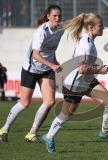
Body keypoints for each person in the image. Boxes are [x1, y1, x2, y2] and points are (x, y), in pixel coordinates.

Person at [42, 13, 108, 153]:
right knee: (66, 115)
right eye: (100, 26)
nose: (103, 27)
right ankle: (49, 137)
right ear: (91, 27)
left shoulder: (89, 41)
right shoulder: (86, 44)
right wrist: (100, 69)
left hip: (87, 81)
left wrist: (102, 68)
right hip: (74, 85)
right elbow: (82, 69)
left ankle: (104, 132)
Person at [0, 5, 63, 143]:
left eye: (59, 16)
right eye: (54, 16)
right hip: (31, 69)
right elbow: (35, 55)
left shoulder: (60, 30)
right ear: (48, 16)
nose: (57, 18)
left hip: (46, 70)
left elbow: (51, 50)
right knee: (25, 103)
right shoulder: (41, 32)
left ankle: (32, 133)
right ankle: (4, 129)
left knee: (50, 101)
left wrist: (55, 62)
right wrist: (52, 65)